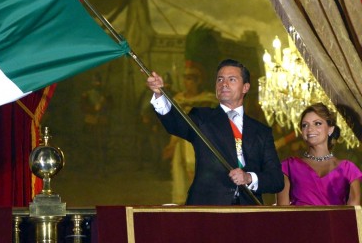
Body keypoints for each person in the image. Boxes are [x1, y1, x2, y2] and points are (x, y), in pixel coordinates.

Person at [146, 58, 284, 205]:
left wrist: (249, 178)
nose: (224, 84)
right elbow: (175, 124)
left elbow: (276, 180)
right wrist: (159, 93)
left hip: (248, 213)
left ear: (245, 87)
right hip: (208, 210)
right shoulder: (202, 118)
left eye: (231, 79)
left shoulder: (261, 131)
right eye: (220, 79)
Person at [277, 103, 362, 206]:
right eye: (305, 125)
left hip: (336, 222)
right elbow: (282, 213)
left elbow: (353, 215)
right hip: (299, 222)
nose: (310, 129)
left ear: (330, 129)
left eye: (317, 123)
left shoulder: (348, 169)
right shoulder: (288, 166)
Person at [162, 65, 217, 204]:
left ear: (198, 81)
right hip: (182, 142)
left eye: (191, 79)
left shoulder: (208, 99)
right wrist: (171, 144)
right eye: (185, 79)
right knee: (182, 175)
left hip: (201, 142)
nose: (188, 82)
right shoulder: (178, 99)